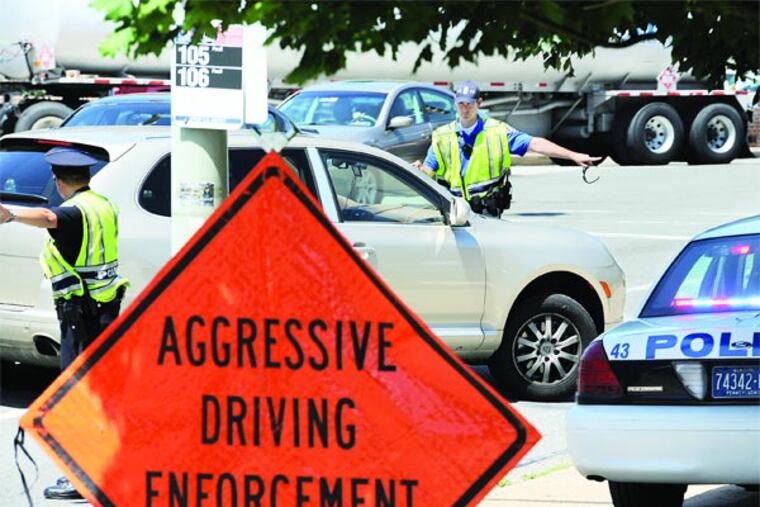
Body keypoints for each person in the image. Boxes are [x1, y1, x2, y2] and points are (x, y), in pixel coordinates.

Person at [0, 147, 129, 500]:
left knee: (77, 398)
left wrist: (9, 214)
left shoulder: (73, 213)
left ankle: (83, 478)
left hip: (81, 321)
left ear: (58, 182)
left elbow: (50, 217)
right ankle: (111, 468)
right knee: (102, 396)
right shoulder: (104, 204)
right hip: (103, 313)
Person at [414, 81, 601, 217]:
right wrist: (417, 169)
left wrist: (572, 155)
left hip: (487, 211)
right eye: (461, 103)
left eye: (469, 103)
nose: (465, 108)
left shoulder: (497, 131)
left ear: (479, 103)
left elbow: (535, 143)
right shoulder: (442, 136)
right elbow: (428, 172)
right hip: (455, 211)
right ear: (455, 103)